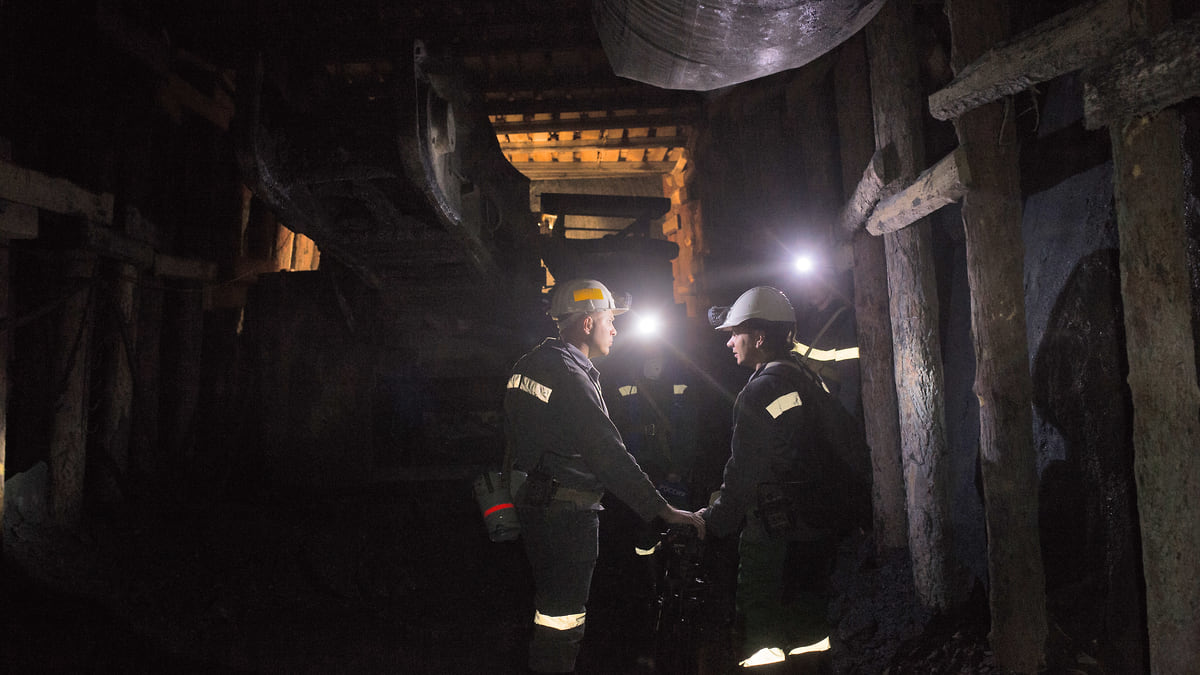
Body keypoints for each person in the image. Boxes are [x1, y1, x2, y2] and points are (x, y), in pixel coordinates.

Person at [504, 278, 706, 674]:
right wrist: (664, 510)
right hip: (567, 515)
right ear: (587, 323)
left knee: (549, 612)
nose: (614, 329)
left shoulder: (528, 365)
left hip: (534, 507)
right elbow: (608, 455)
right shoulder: (570, 374)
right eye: (609, 320)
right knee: (563, 620)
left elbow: (516, 441)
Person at [699, 286, 856, 674]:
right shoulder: (809, 380)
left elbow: (743, 473)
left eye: (736, 333)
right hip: (816, 532)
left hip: (771, 537)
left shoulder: (759, 391)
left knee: (761, 642)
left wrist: (712, 522)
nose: (730, 342)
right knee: (810, 634)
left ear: (759, 337)